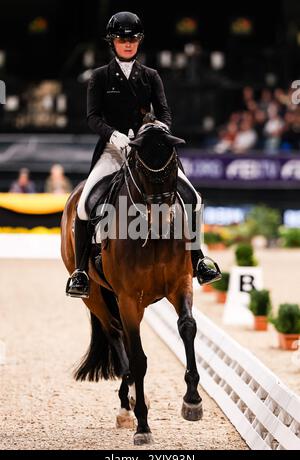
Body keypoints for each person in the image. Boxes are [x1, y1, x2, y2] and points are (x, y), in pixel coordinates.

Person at [66, 11, 221, 298]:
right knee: (85, 204)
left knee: (193, 198)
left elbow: (164, 112)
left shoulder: (151, 76)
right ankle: (81, 272)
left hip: (148, 148)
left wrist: (157, 128)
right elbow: (92, 117)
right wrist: (114, 135)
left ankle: (199, 259)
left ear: (139, 42)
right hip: (114, 149)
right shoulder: (99, 77)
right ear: (112, 42)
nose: (128, 44)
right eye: (122, 39)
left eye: (133, 39)